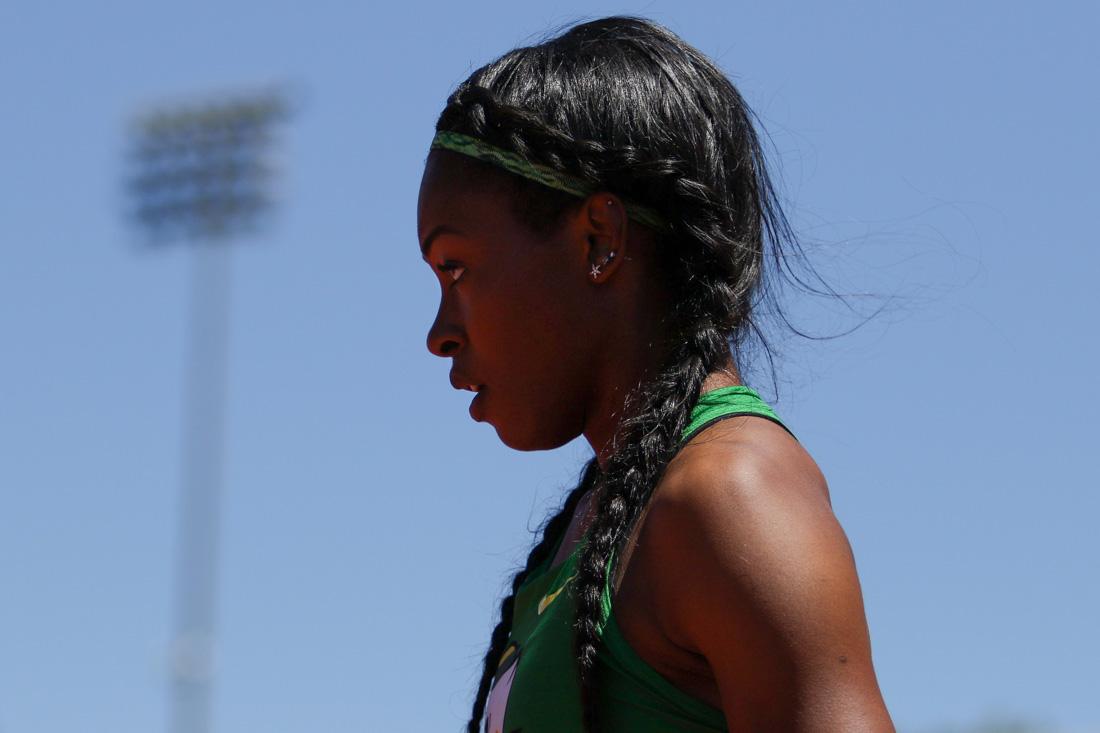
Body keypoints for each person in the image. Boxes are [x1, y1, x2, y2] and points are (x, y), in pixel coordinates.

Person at [417, 16, 894, 733]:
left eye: (456, 268)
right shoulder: (596, 526)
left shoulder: (729, 499)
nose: (438, 333)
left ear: (600, 241)